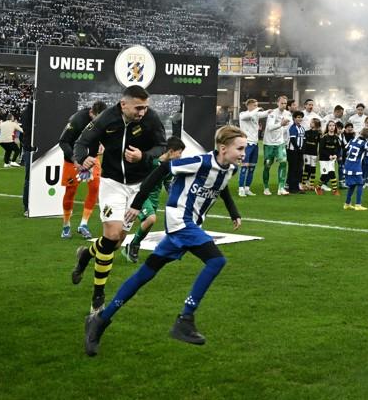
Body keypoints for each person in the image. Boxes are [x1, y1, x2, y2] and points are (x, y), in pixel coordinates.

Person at [84, 128, 246, 356]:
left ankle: (100, 319)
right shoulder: (200, 162)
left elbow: (222, 185)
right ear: (223, 148)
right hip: (180, 221)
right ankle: (185, 318)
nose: (244, 153)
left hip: (189, 226)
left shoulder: (230, 168)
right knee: (216, 261)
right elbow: (163, 168)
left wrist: (233, 211)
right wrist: (137, 203)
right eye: (240, 148)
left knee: (144, 275)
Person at [70, 85, 169, 313]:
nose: (142, 112)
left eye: (145, 107)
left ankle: (86, 255)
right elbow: (81, 142)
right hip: (112, 183)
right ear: (123, 104)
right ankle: (98, 296)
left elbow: (162, 146)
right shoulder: (106, 118)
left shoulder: (151, 118)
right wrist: (82, 158)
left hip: (138, 187)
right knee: (112, 234)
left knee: (114, 244)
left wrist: (142, 156)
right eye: (138, 108)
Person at [124, 138, 187, 263]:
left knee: (149, 223)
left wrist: (175, 197)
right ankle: (133, 245)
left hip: (154, 198)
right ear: (170, 151)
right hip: (141, 195)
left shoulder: (169, 166)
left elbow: (168, 183)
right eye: (179, 152)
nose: (180, 156)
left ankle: (132, 245)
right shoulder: (151, 161)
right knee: (151, 219)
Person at [59, 102, 108, 240]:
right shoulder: (76, 120)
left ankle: (83, 224)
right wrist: (75, 160)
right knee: (71, 191)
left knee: (95, 187)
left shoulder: (103, 119)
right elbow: (63, 141)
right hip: (73, 161)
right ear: (91, 112)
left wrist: (103, 144)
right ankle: (66, 225)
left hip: (92, 159)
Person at [261, 95, 292, 196]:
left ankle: (281, 188)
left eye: (285, 103)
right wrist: (281, 125)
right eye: (282, 103)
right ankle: (266, 187)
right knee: (267, 166)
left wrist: (283, 131)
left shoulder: (288, 113)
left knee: (283, 163)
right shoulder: (272, 113)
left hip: (280, 143)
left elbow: (288, 126)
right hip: (269, 143)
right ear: (277, 103)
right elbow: (269, 127)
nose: (283, 105)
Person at [235, 98, 264, 197]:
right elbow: (250, 115)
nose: (257, 107)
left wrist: (271, 111)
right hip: (246, 144)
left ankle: (247, 188)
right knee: (244, 167)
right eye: (255, 105)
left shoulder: (256, 114)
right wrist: (257, 109)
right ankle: (240, 189)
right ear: (249, 106)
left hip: (255, 144)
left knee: (252, 167)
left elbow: (263, 114)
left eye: (257, 105)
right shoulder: (243, 114)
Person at [343, 126, 368, 210]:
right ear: (367, 136)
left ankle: (347, 204)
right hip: (355, 165)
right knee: (360, 183)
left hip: (347, 164)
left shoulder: (352, 140)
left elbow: (345, 149)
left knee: (352, 185)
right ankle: (358, 205)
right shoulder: (364, 143)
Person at [284, 111, 305, 194]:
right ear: (294, 118)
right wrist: (298, 149)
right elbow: (293, 140)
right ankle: (291, 187)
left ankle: (296, 186)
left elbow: (304, 139)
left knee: (299, 169)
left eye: (301, 117)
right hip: (292, 151)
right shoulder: (293, 127)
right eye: (298, 117)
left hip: (299, 151)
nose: (300, 119)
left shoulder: (302, 128)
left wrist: (302, 149)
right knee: (293, 169)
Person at [318, 120, 341, 195]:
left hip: (331, 159)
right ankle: (318, 187)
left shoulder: (337, 138)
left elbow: (338, 148)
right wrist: (329, 155)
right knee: (324, 174)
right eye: (330, 125)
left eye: (333, 125)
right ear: (327, 127)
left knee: (331, 172)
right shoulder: (324, 137)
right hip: (324, 159)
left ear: (335, 127)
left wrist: (336, 155)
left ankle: (335, 190)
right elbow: (321, 149)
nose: (332, 127)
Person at [302, 116, 321, 192]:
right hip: (306, 153)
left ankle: (311, 184)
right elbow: (303, 143)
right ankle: (304, 183)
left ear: (316, 124)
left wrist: (319, 154)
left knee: (313, 168)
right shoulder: (306, 132)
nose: (310, 123)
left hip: (314, 153)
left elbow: (320, 145)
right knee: (307, 168)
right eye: (311, 122)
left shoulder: (319, 134)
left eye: (312, 122)